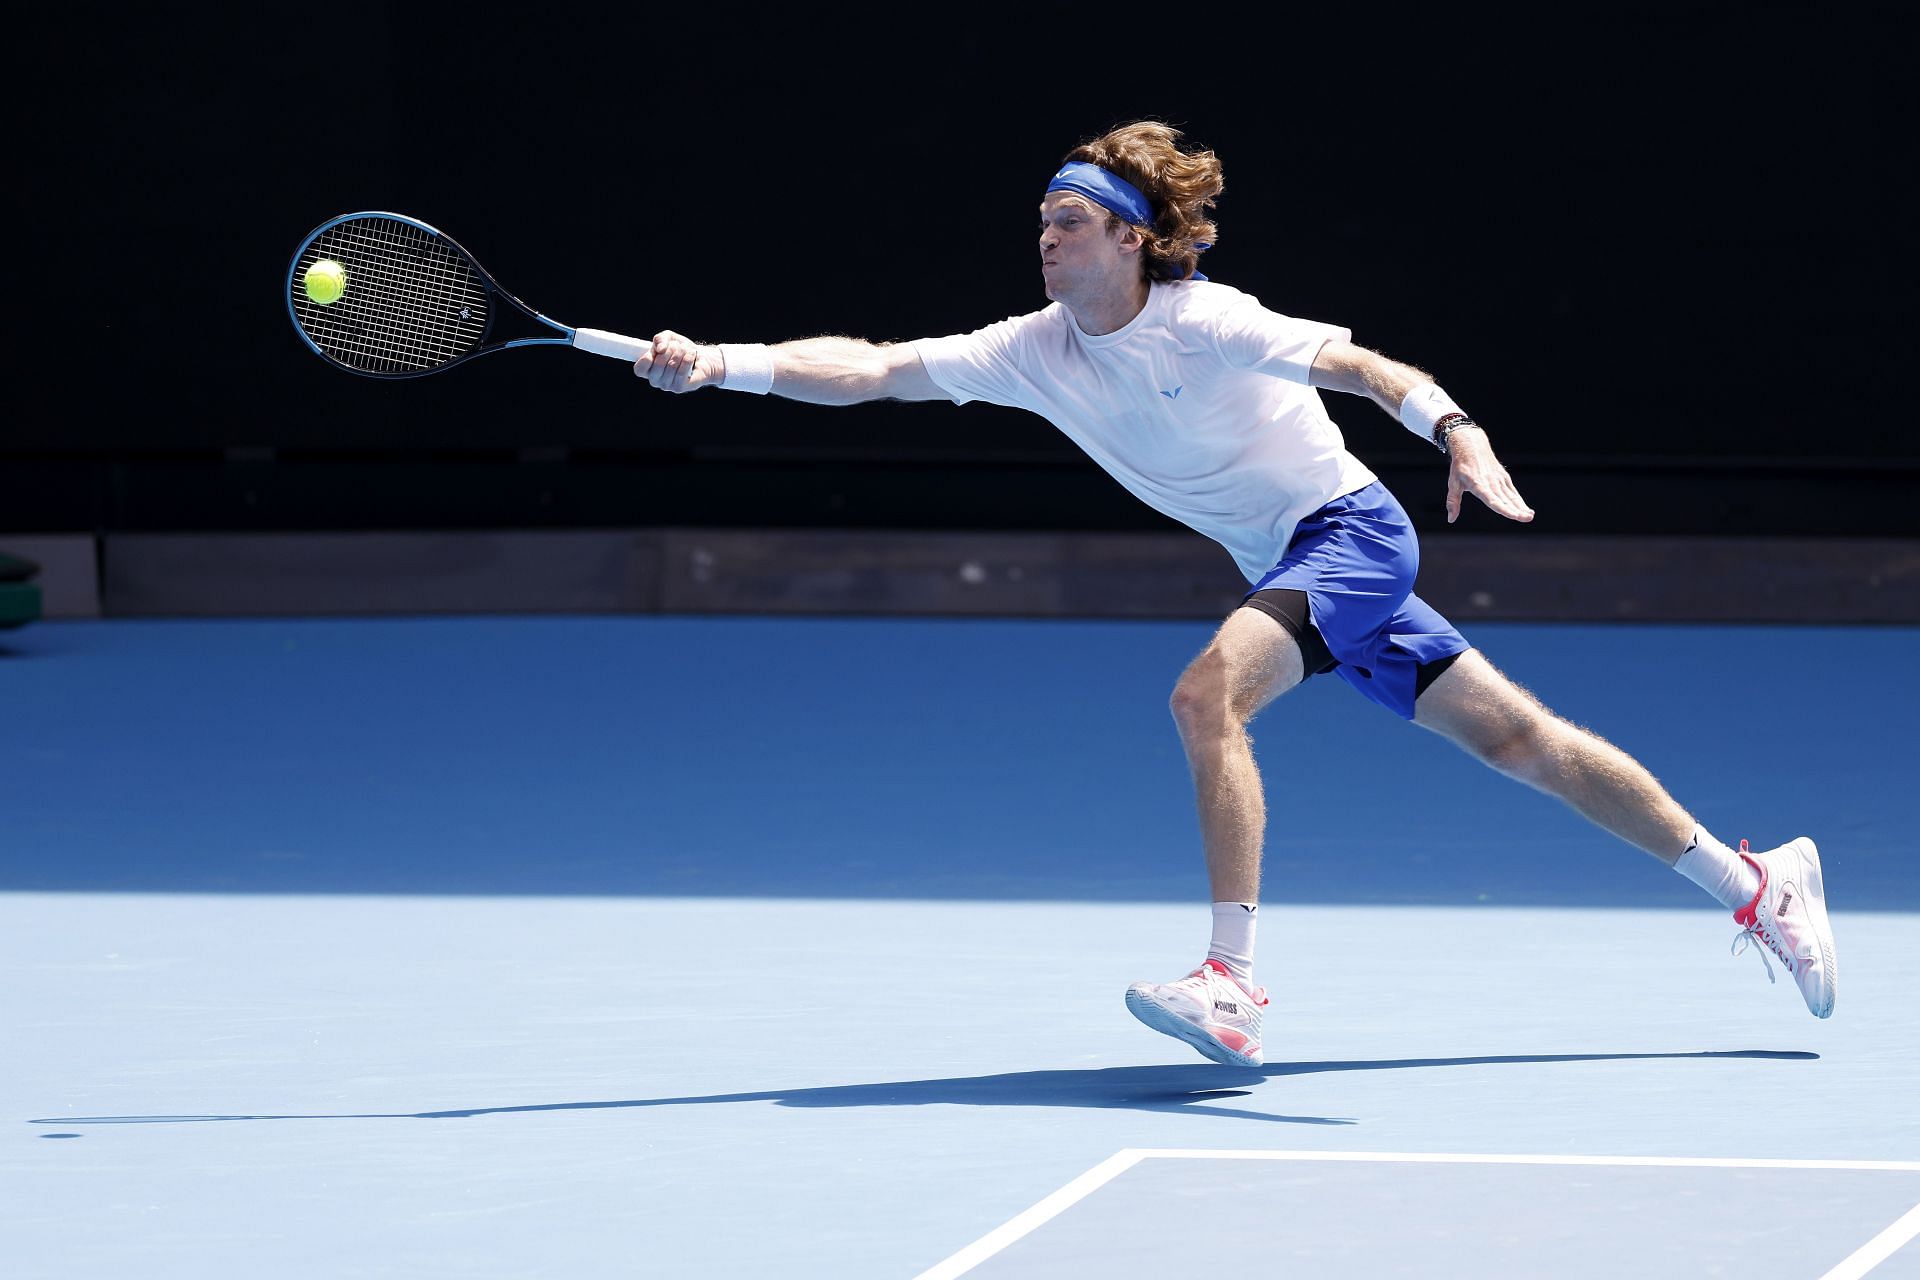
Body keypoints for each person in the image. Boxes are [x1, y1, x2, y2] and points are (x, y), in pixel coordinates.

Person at [629, 120, 1837, 1066]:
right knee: (1526, 742)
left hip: (1352, 534)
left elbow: (1362, 365)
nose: (1045, 240)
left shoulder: (1210, 321)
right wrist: (720, 366)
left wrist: (1455, 426)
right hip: (1290, 568)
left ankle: (1230, 978)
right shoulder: (1031, 348)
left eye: (1068, 222)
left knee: (1206, 696)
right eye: (1039, 223)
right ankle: (1758, 883)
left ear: (1131, 238)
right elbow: (876, 370)